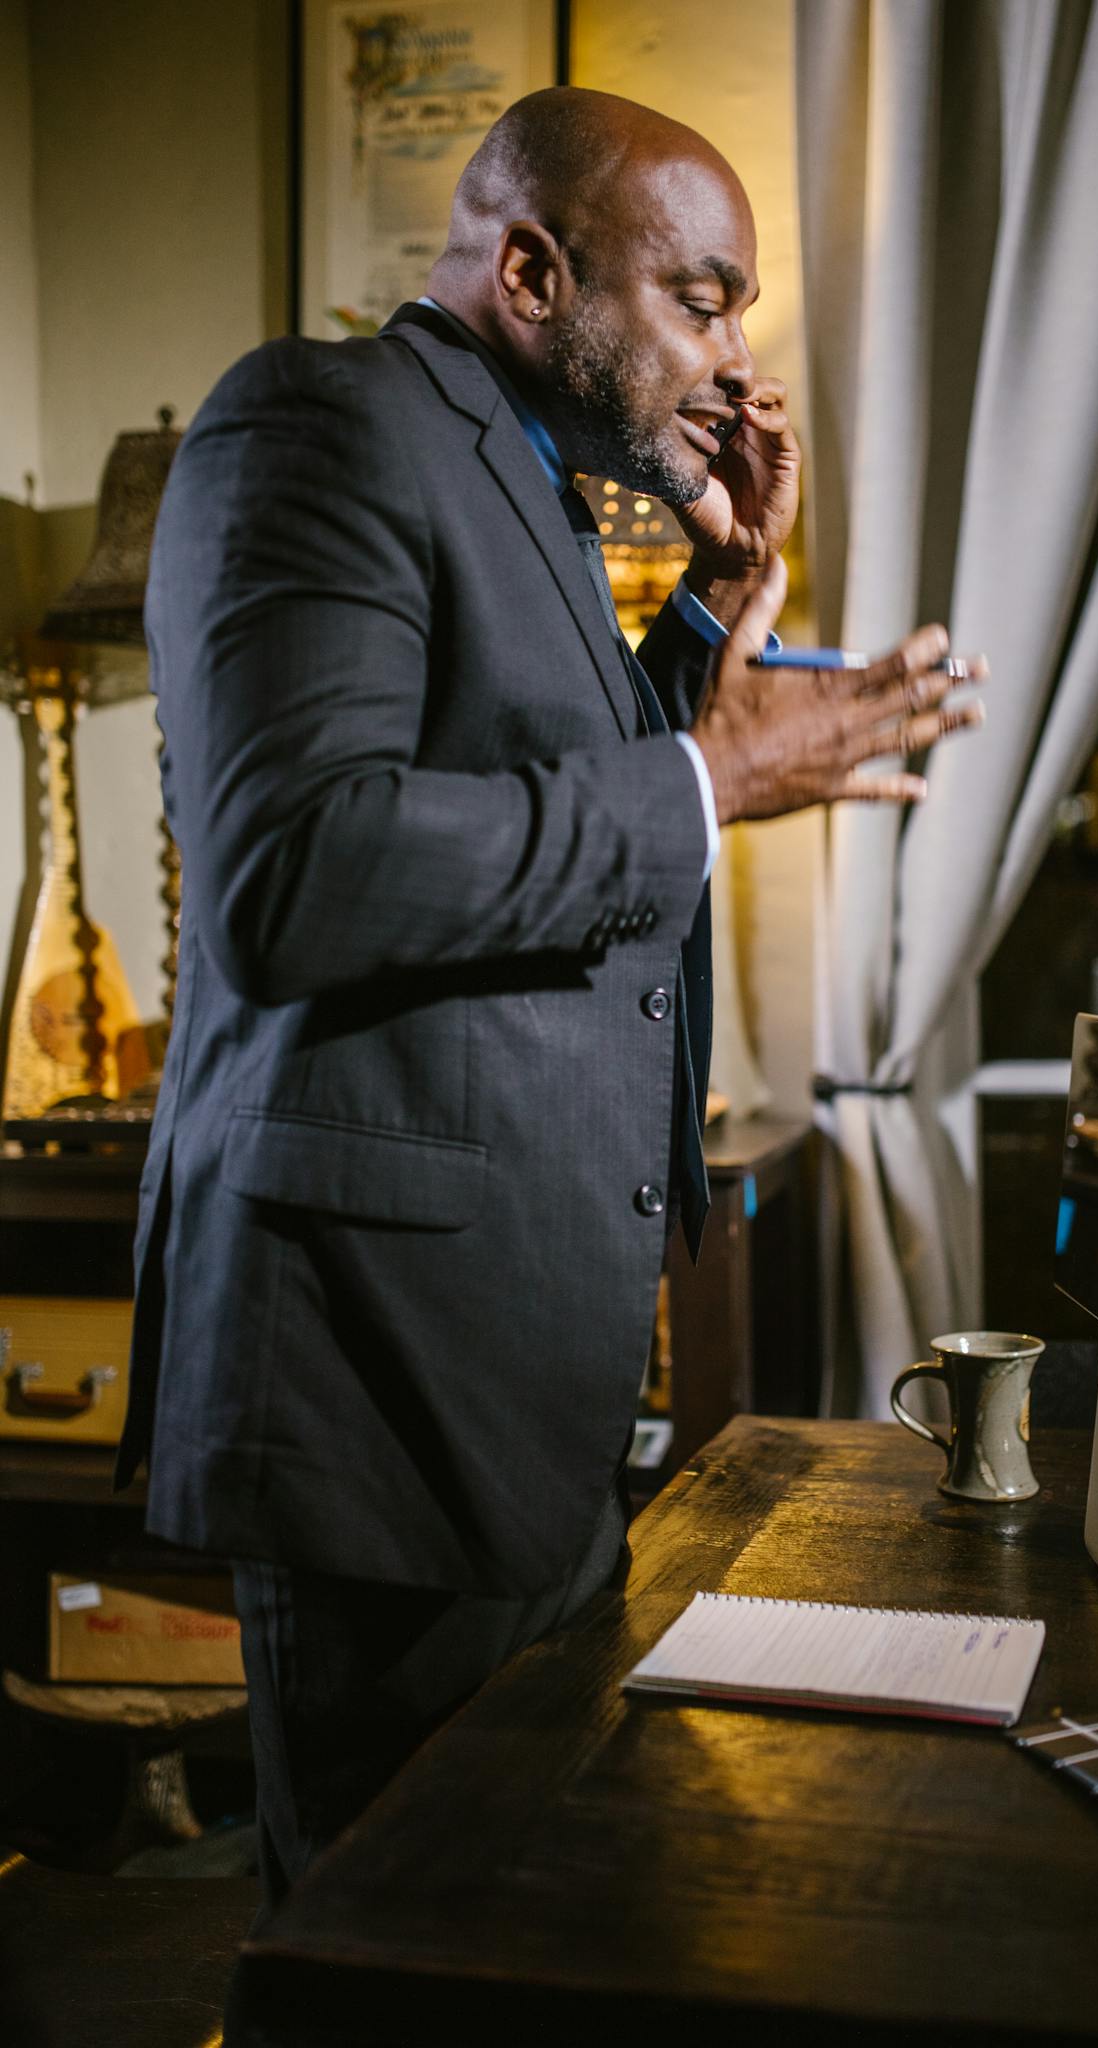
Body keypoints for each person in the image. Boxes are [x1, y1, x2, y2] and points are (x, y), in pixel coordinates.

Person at [117, 86, 985, 1907]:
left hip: (497, 1382)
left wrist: (705, 621)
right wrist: (709, 780)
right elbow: (302, 872)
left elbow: (517, 793)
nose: (732, 359)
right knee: (396, 1953)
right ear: (533, 268)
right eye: (702, 297)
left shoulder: (526, 489)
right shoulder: (319, 425)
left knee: (516, 1932)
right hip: (373, 1380)